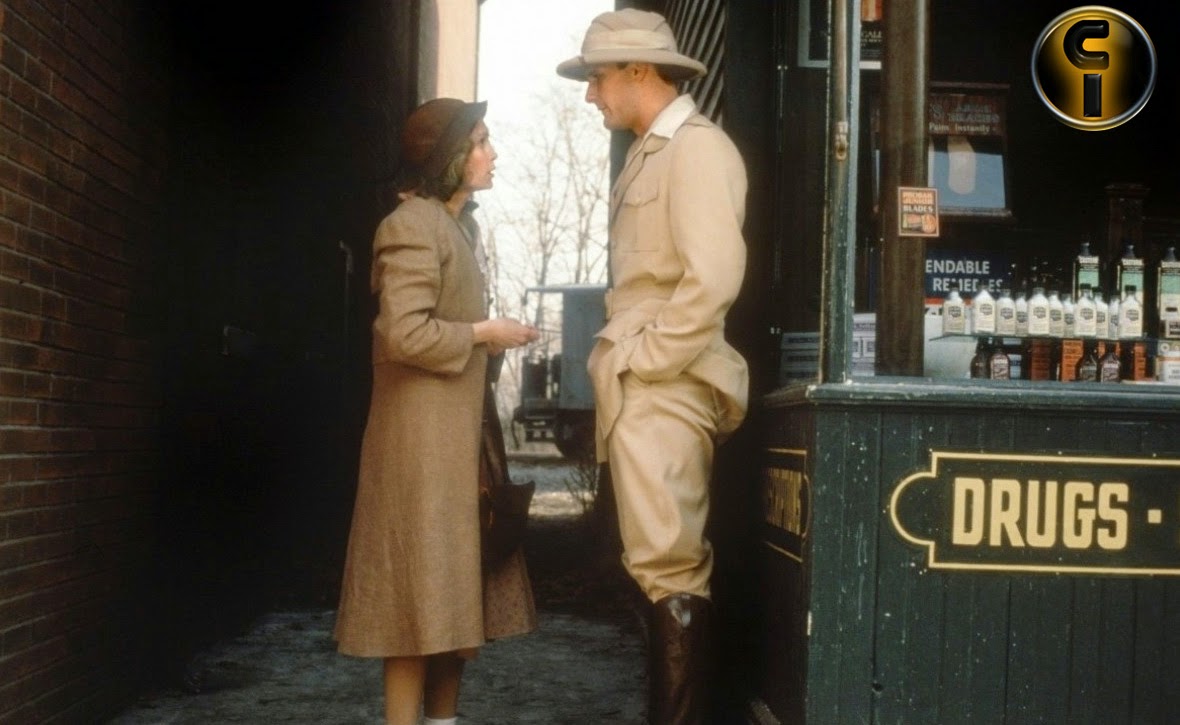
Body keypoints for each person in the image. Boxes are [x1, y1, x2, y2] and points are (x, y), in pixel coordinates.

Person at [557, 9, 750, 724]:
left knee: (670, 566)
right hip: (649, 382)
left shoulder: (695, 150)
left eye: (597, 77)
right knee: (656, 566)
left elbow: (713, 277)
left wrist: (647, 361)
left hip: (666, 383)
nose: (590, 94)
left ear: (639, 71)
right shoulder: (652, 150)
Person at [334, 98, 540, 725]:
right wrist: (483, 333)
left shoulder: (457, 227)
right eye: (480, 141)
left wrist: (487, 342)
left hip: (456, 446)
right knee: (411, 606)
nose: (492, 153)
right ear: (449, 158)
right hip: (418, 451)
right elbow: (403, 334)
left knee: (453, 602)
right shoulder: (411, 224)